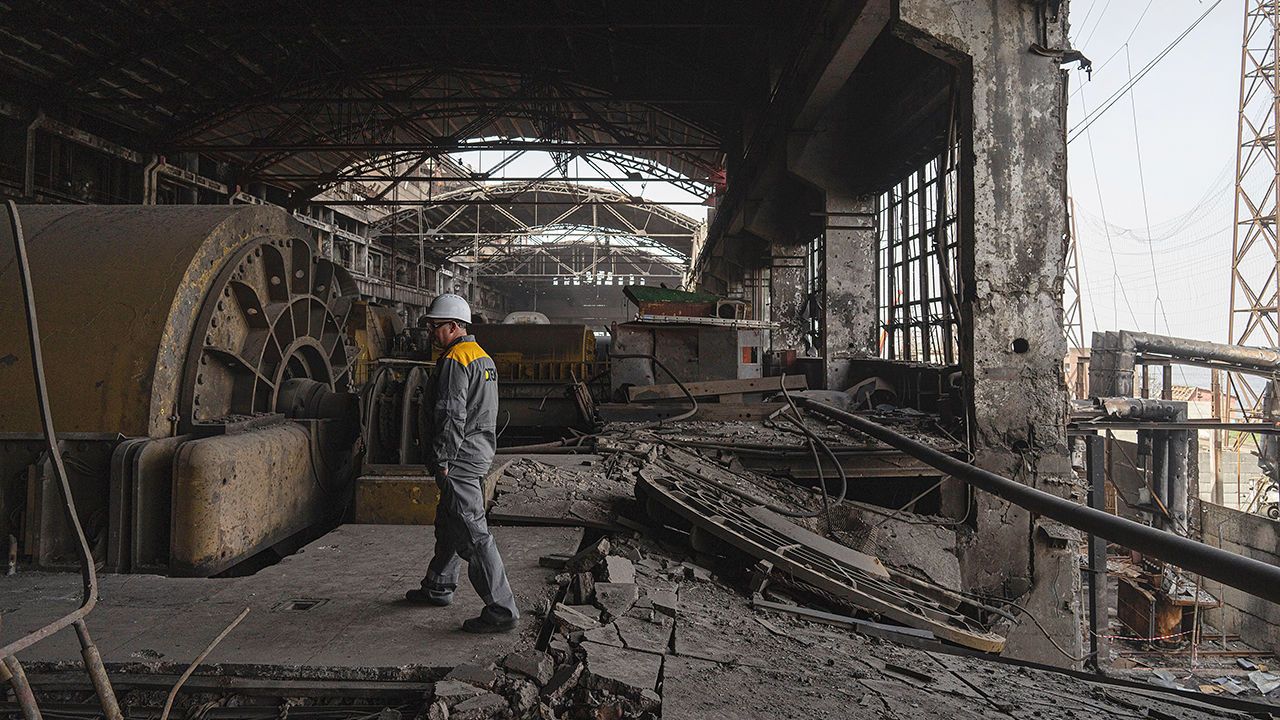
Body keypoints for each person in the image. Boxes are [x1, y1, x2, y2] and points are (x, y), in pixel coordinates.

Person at [404, 293, 519, 633]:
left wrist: (442, 459)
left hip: (459, 457)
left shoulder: (456, 359)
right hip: (477, 452)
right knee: (450, 521)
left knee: (472, 531)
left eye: (435, 326)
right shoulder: (483, 358)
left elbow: (451, 415)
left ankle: (502, 608)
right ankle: (438, 585)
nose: (430, 333)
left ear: (454, 326)